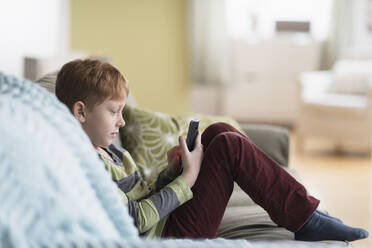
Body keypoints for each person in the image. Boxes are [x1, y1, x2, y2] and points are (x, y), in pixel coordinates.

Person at [55, 58, 369, 242]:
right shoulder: (87, 165)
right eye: (113, 112)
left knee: (218, 133)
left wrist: (172, 172)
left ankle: (303, 214)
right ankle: (306, 219)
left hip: (170, 220)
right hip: (167, 237)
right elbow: (135, 219)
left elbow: (144, 194)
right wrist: (187, 179)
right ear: (80, 112)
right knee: (229, 145)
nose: (122, 122)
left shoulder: (113, 154)